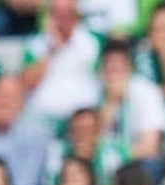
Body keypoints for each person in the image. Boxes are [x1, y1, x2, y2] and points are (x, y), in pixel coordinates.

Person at [94, 38, 165, 185]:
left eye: (119, 68)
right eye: (110, 68)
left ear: (129, 68)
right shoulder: (93, 92)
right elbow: (91, 141)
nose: (114, 74)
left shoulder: (146, 91)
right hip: (101, 159)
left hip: (136, 161)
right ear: (101, 70)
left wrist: (117, 155)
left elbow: (150, 146)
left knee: (150, 165)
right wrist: (111, 102)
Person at [19, 0, 103, 131]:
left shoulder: (93, 42)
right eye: (57, 14)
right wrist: (52, 51)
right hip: (44, 117)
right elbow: (26, 83)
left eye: (67, 14)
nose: (63, 20)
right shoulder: (35, 44)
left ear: (76, 16)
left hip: (82, 119)